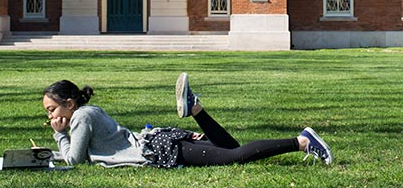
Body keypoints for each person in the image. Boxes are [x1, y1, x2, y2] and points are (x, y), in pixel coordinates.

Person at [42, 73, 333, 168]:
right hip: (158, 140)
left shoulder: (80, 118)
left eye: (52, 109)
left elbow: (76, 161)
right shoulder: (89, 113)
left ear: (69, 103)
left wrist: (59, 136)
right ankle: (195, 109)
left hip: (158, 149)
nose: (51, 116)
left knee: (234, 156)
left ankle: (302, 141)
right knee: (231, 146)